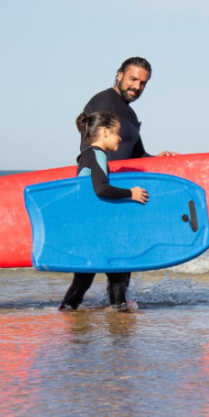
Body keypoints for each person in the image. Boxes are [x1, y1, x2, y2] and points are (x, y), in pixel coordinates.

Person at [59, 111, 149, 310]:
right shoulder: (97, 154)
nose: (120, 138)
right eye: (117, 133)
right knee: (117, 273)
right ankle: (119, 314)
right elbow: (100, 188)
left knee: (84, 279)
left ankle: (67, 308)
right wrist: (130, 193)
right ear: (105, 132)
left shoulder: (86, 156)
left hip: (87, 228)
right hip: (97, 230)